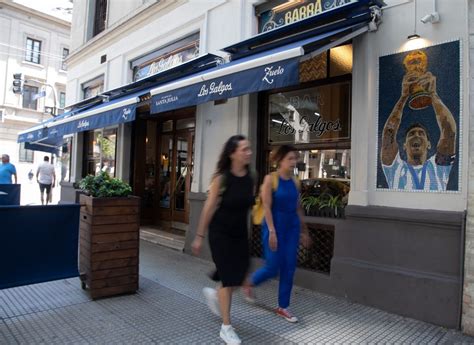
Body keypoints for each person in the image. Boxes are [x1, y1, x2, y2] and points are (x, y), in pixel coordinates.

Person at [191, 135, 253, 345]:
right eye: (244, 149)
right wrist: (199, 236)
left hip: (239, 234)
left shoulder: (250, 176)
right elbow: (209, 208)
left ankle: (216, 295)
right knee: (229, 279)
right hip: (221, 234)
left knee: (238, 275)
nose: (249, 153)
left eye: (249, 149)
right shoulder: (221, 178)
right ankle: (226, 328)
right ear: (232, 153)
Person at [244, 145, 310, 323]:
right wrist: (272, 231)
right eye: (290, 158)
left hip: (292, 228)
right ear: (280, 160)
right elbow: (266, 206)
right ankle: (250, 282)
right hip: (274, 226)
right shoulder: (270, 179)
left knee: (289, 268)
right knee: (272, 267)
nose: (293, 162)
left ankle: (283, 307)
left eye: (295, 158)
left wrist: (304, 231)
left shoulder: (296, 181)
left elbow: (298, 207)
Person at [381, 57, 457, 191]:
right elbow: (388, 136)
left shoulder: (439, 168)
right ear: (404, 145)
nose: (416, 136)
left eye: (421, 133)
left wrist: (433, 94)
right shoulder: (395, 168)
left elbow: (449, 132)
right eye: (411, 134)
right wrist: (403, 97)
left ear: (429, 144)